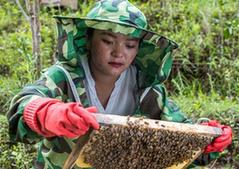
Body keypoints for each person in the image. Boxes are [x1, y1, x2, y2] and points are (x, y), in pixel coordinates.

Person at [7, 0, 232, 169]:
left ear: (139, 49)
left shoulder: (147, 90)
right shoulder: (63, 77)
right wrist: (46, 112)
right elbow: (23, 106)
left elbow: (183, 135)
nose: (118, 53)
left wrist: (209, 137)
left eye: (130, 45)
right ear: (88, 39)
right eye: (107, 41)